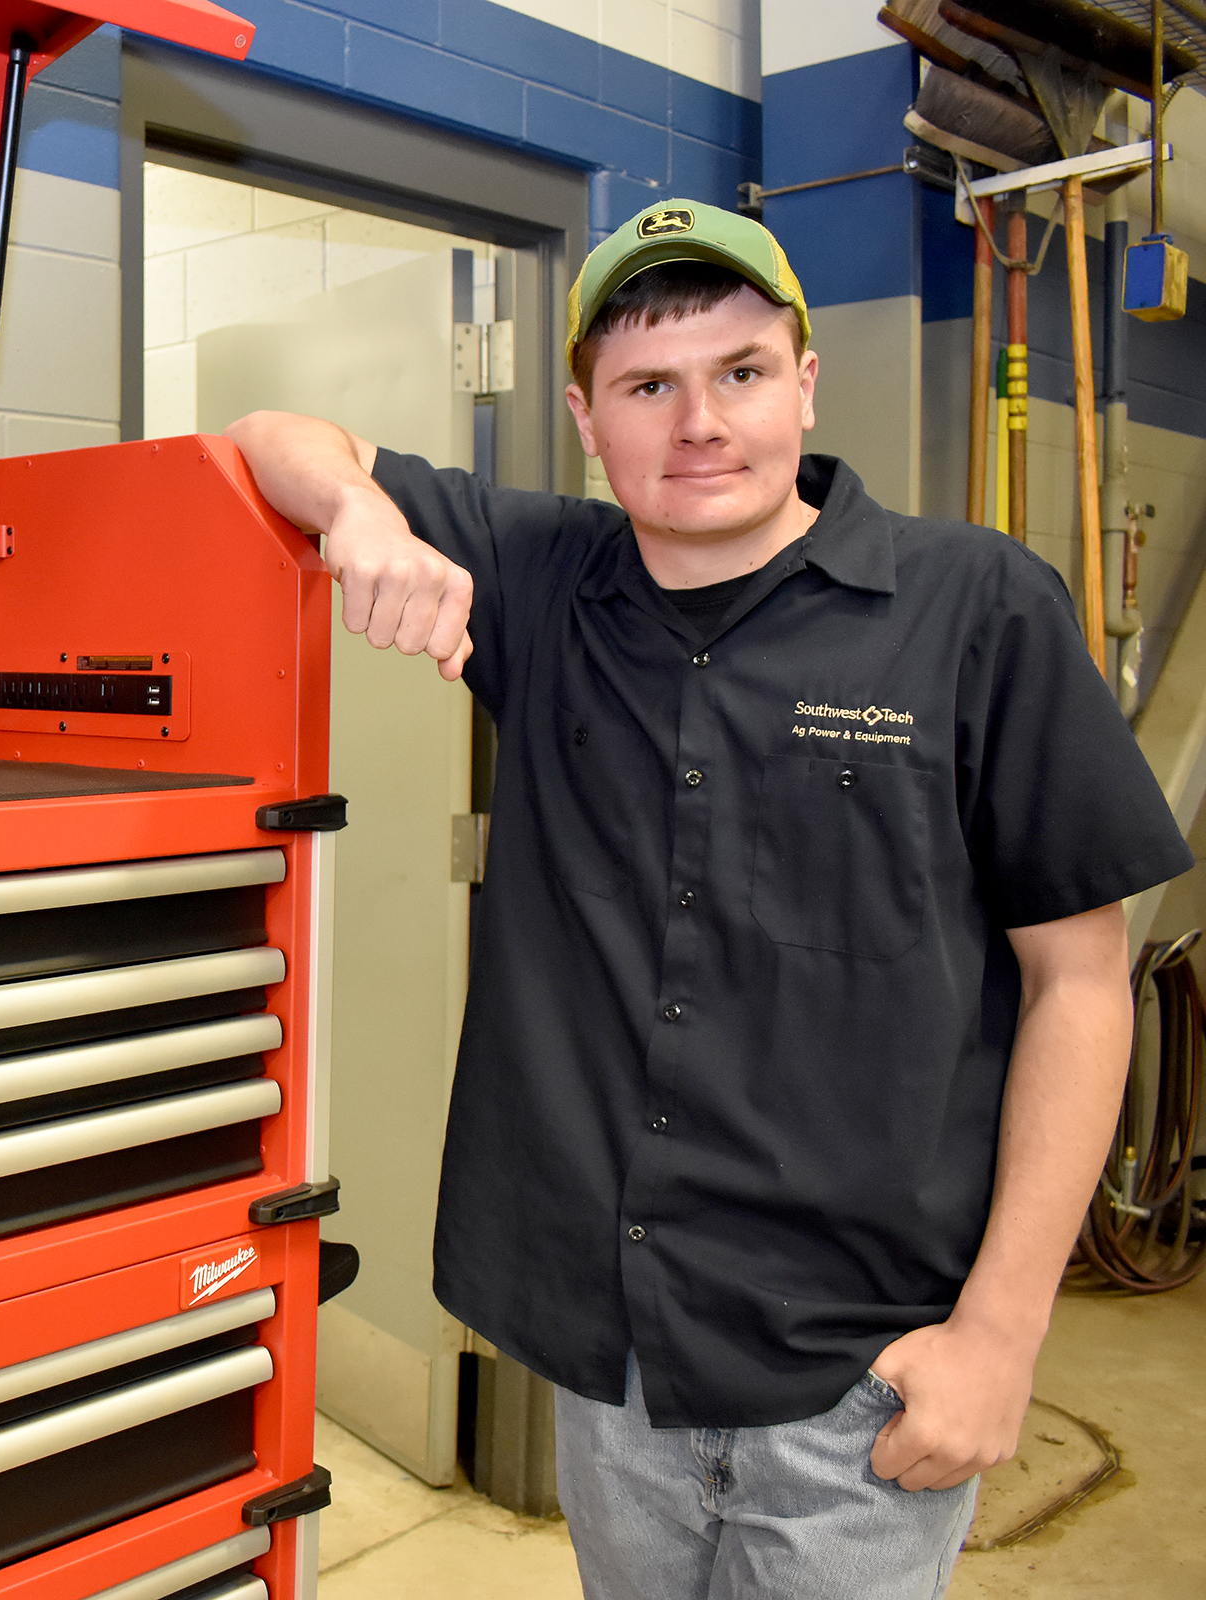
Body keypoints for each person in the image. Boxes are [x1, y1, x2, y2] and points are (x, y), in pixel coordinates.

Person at [228, 200, 1192, 1599]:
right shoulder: (544, 579)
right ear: (585, 418)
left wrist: (1002, 1334)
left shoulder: (977, 611)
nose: (699, 420)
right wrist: (360, 514)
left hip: (858, 1377)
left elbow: (1081, 986)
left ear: (805, 379)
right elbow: (271, 437)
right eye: (647, 385)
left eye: (740, 371)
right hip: (610, 1364)